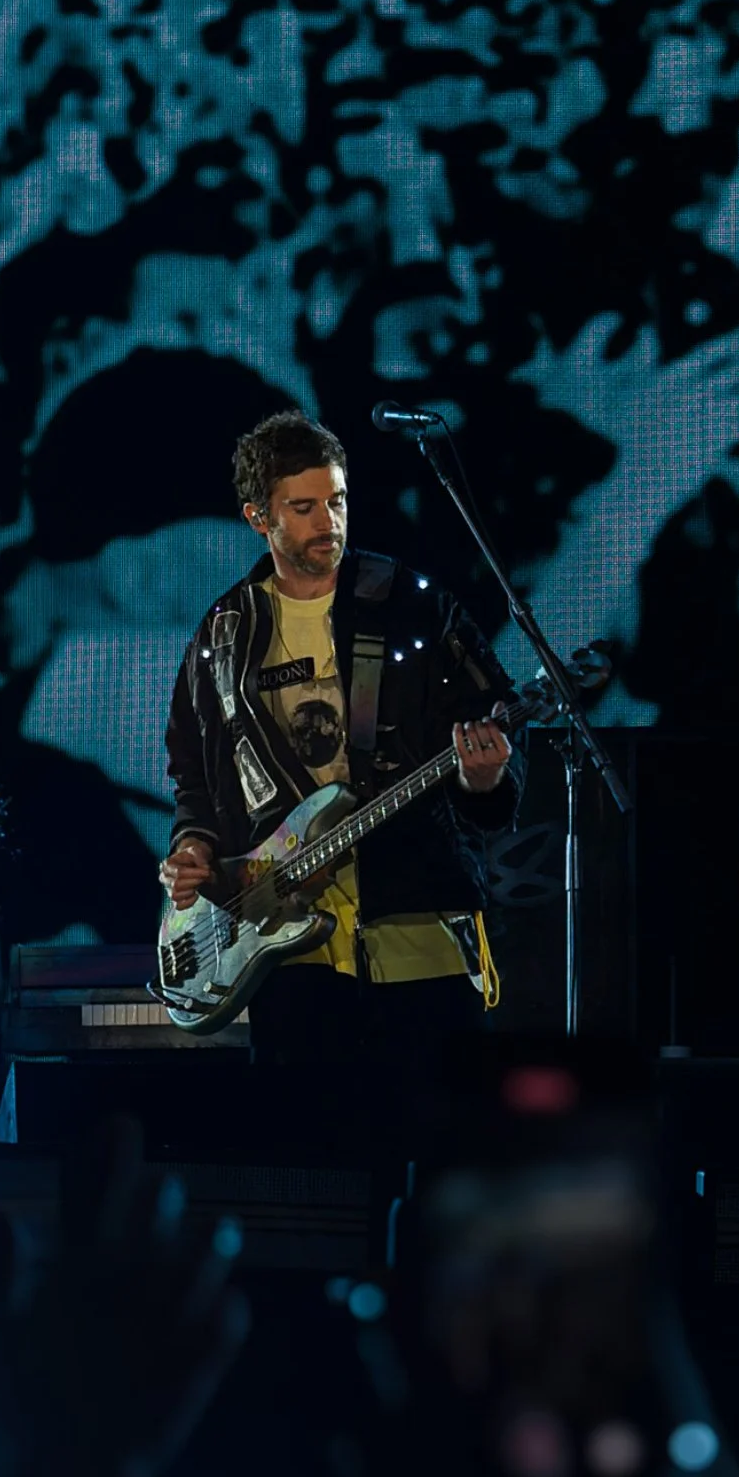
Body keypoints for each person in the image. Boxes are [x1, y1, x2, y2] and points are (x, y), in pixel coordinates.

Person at [161, 409, 524, 1068]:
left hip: (419, 936)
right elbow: (194, 766)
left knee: (444, 1147)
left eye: (337, 501)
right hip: (289, 952)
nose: (326, 521)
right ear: (257, 517)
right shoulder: (224, 634)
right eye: (302, 507)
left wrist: (485, 778)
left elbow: (490, 753)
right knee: (315, 1161)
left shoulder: (413, 605)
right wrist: (193, 844)